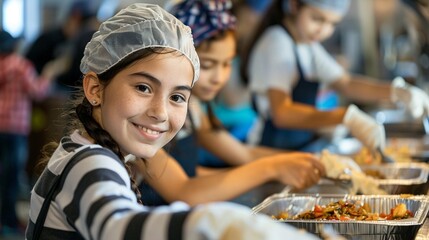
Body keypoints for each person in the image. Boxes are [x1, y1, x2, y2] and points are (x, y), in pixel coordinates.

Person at [25, 3, 320, 240]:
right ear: (95, 89)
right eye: (143, 87)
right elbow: (115, 226)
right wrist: (222, 223)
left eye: (177, 97)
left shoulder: (98, 152)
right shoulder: (90, 163)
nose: (161, 113)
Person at [136, 0, 325, 207]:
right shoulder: (146, 121)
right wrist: (272, 168)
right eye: (208, 65)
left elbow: (242, 154)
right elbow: (184, 190)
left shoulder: (196, 109)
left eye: (227, 64)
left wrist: (310, 161)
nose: (219, 77)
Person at [240, 0, 429, 152]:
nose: (324, 30)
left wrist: (397, 90)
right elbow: (281, 113)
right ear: (294, 5)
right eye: (317, 19)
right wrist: (345, 117)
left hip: (297, 150)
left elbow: (345, 83)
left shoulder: (307, 46)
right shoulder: (277, 41)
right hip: (269, 152)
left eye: (332, 23)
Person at [0, 30, 58, 236]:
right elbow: (38, 91)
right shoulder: (20, 65)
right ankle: (7, 221)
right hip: (15, 127)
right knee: (12, 176)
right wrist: (49, 75)